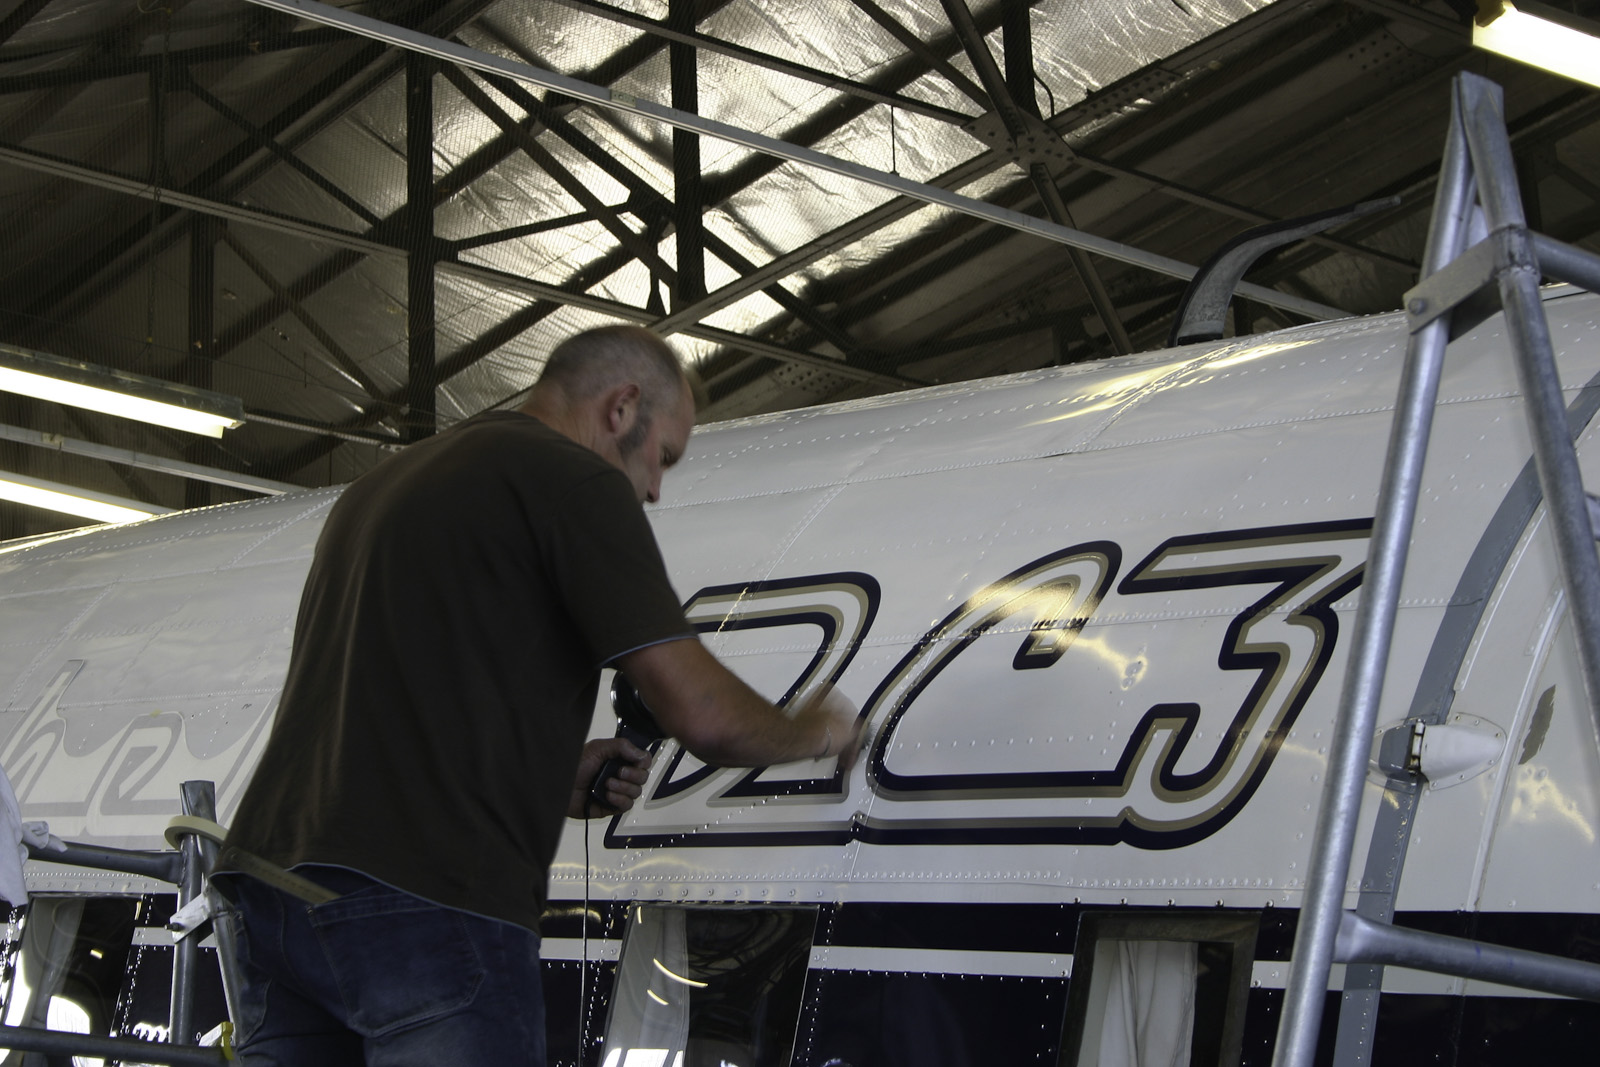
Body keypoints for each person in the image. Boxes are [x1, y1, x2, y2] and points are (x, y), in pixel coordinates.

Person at [216, 324, 862, 1066]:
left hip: (273, 883)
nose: (654, 488)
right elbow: (703, 714)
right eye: (664, 457)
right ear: (622, 408)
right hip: (426, 902)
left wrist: (550, 777)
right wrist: (817, 728)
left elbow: (384, 702)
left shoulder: (381, 487)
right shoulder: (571, 478)